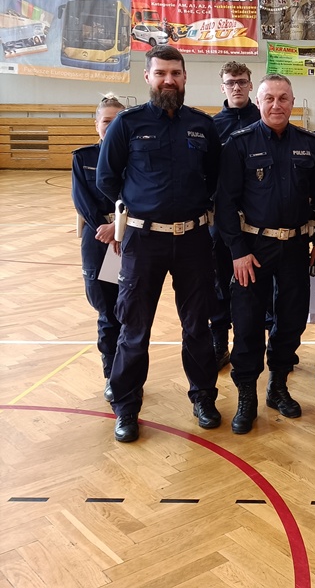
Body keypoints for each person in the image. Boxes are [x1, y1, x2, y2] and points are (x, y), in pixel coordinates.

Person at [96, 45, 222, 443]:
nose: (169, 80)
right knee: (134, 328)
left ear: (185, 78)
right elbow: (106, 178)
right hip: (143, 241)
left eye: (175, 73)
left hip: (193, 240)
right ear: (148, 77)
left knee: (197, 326)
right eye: (161, 73)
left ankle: (203, 398)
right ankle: (127, 408)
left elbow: (215, 178)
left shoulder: (202, 126)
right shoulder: (127, 124)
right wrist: (137, 208)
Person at [216, 74, 315, 434]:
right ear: (259, 102)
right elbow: (224, 203)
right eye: (269, 98)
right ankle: (246, 395)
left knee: (292, 320)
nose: (276, 105)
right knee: (248, 322)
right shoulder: (239, 144)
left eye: (283, 98)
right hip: (253, 249)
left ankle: (277, 386)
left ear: (293, 102)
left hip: (296, 247)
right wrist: (237, 252)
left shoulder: (309, 144)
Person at [71, 94, 125, 402]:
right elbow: (82, 201)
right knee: (106, 310)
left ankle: (128, 374)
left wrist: (118, 228)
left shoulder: (134, 157)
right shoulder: (83, 158)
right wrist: (107, 229)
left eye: (118, 121)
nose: (111, 126)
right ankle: (111, 375)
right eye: (106, 121)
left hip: (126, 241)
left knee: (127, 310)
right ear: (96, 124)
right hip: (99, 240)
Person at [210, 62, 261, 370]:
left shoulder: (264, 119)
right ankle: (219, 338)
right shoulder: (212, 126)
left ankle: (259, 341)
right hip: (222, 219)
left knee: (258, 282)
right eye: (231, 82)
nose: (237, 87)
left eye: (242, 81)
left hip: (258, 220)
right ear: (223, 87)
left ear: (250, 85)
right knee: (218, 282)